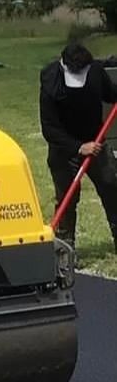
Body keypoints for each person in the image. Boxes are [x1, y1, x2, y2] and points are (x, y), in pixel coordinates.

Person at [39, 40, 117, 252]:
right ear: (64, 66)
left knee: (112, 187)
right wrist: (78, 147)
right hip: (64, 149)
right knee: (67, 198)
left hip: (96, 141)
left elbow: (110, 94)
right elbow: (49, 129)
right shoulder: (50, 82)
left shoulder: (94, 71)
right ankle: (65, 249)